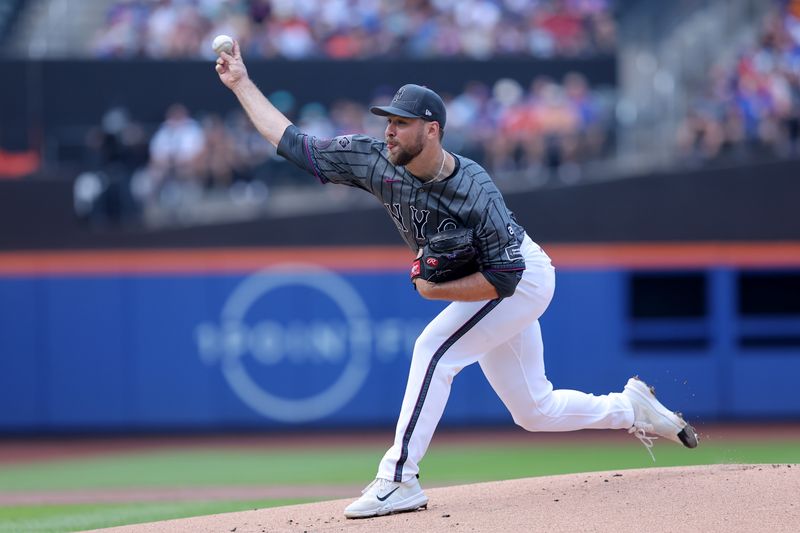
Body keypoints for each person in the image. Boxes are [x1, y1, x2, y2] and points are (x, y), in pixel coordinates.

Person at [214, 42, 699, 519]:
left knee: (434, 350)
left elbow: (505, 279)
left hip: (521, 278)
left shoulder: (473, 190)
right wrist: (240, 83)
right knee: (535, 410)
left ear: (432, 130)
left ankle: (399, 477)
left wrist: (435, 290)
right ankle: (630, 408)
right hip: (493, 282)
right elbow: (294, 144)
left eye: (401, 123)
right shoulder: (376, 159)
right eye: (387, 121)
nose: (389, 132)